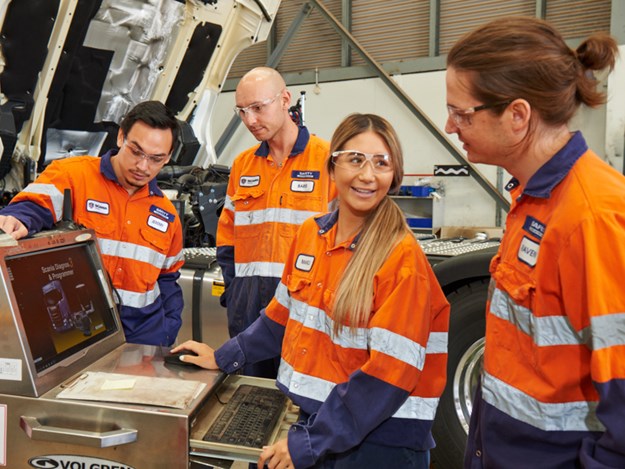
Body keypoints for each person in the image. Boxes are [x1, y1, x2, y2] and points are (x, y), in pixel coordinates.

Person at [174, 113, 450, 468]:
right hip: (329, 425)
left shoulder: (401, 258)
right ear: (331, 169)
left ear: (394, 176)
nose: (367, 175)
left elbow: (388, 374)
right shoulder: (311, 236)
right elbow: (280, 317)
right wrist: (223, 357)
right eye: (355, 160)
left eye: (381, 163)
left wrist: (309, 442)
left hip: (381, 443)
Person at [444, 17, 625, 468]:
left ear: (518, 115)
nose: (450, 126)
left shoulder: (592, 218)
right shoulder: (533, 201)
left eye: (462, 113)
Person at [0, 100, 185, 347]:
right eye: (136, 151)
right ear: (121, 137)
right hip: (80, 332)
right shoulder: (73, 176)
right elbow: (33, 206)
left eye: (156, 158)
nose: (143, 166)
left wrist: (167, 330)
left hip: (143, 340)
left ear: (168, 157)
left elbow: (169, 279)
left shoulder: (167, 214)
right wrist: (19, 219)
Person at [216, 66, 335, 378]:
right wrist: (235, 291)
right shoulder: (242, 165)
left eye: (258, 108)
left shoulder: (327, 160)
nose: (250, 121)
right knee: (249, 400)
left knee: (302, 401)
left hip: (305, 309)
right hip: (249, 310)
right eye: (242, 111)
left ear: (285, 99)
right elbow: (227, 239)